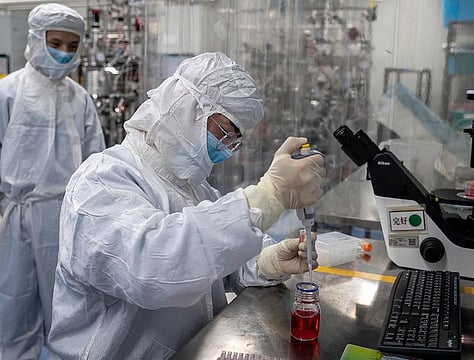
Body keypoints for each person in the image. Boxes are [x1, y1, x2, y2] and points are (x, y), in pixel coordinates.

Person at [46, 52, 325, 359]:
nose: (229, 146)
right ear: (186, 106)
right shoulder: (100, 180)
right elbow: (156, 267)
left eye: (236, 138)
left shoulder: (192, 186)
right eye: (226, 131)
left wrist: (264, 262)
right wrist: (268, 196)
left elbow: (209, 262)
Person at [0, 3, 106, 359]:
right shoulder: (8, 92)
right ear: (36, 40)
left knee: (68, 308)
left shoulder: (81, 100)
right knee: (13, 302)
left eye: (71, 47)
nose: (63, 53)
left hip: (67, 218)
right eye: (55, 43)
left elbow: (96, 164)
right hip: (15, 215)